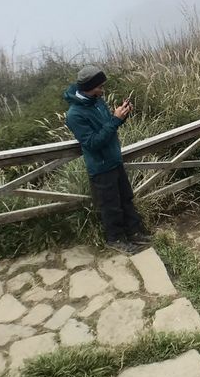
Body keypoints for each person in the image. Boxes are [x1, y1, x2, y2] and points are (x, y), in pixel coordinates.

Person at [64, 66, 149, 255]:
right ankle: (116, 239)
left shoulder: (97, 101)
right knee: (111, 207)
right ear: (90, 86)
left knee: (126, 199)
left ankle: (134, 233)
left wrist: (121, 116)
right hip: (100, 168)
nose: (103, 90)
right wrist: (115, 120)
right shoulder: (74, 115)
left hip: (114, 159)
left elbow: (108, 127)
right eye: (100, 86)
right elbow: (93, 143)